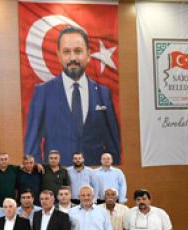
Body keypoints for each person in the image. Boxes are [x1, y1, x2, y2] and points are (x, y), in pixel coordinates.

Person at [24, 26, 120, 166]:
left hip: (93, 174)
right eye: (67, 52)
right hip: (57, 174)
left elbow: (113, 147)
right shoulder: (42, 93)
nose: (73, 58)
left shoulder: (103, 94)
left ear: (88, 55)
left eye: (78, 51)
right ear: (59, 55)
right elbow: (32, 148)